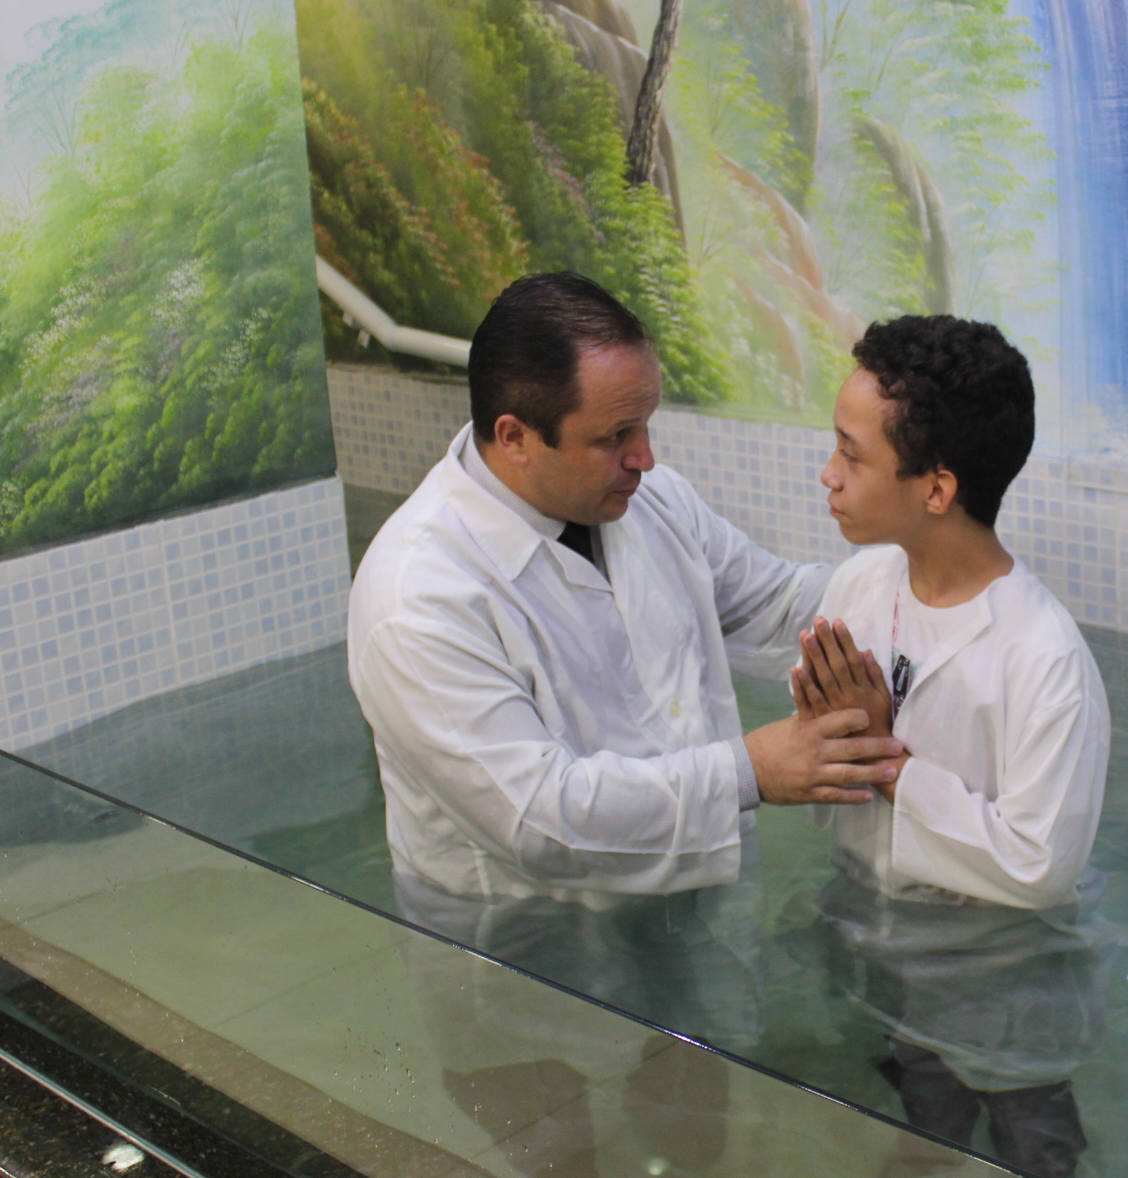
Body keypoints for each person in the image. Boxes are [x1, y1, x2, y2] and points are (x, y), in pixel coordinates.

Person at [347, 271, 902, 1172]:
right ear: (515, 437)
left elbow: (776, 604)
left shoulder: (650, 503)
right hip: (524, 932)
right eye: (614, 437)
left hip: (684, 893)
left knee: (692, 1109)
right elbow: (540, 819)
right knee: (558, 1142)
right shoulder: (420, 598)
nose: (644, 458)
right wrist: (751, 772)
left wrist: (929, 591)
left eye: (645, 425)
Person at [791, 315, 1112, 1178]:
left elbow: (1039, 866)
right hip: (880, 932)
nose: (829, 475)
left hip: (999, 970)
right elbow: (826, 758)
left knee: (1031, 1140)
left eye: (851, 455)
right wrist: (831, 737)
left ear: (936, 489)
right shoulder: (859, 586)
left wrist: (889, 761)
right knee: (919, 1136)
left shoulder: (1042, 659)